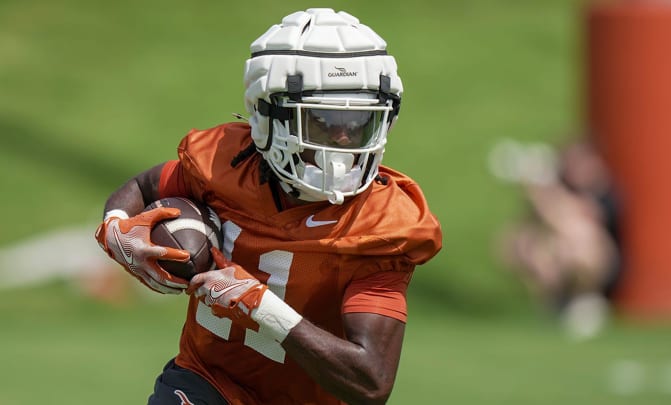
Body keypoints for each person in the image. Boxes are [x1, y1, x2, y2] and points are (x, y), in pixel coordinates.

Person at [94, 8, 442, 405]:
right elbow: (143, 185)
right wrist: (117, 227)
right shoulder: (222, 161)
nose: (343, 140)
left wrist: (260, 305)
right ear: (265, 117)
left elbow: (371, 381)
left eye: (360, 121)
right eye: (321, 120)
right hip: (208, 381)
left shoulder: (385, 223)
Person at [496, 137, 622, 338]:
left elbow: (577, 218)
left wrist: (543, 193)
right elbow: (522, 230)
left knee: (577, 241)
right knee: (528, 244)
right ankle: (555, 303)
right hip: (561, 266)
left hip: (601, 266)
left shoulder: (603, 193)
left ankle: (586, 301)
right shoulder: (565, 188)